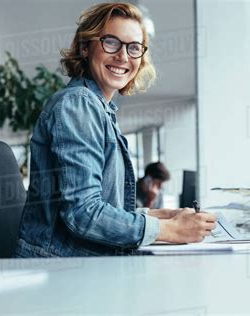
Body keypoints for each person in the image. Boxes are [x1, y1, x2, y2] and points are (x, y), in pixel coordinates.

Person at [15, 3, 216, 257]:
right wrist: (171, 231)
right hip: (61, 271)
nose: (123, 56)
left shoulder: (100, 109)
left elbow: (105, 207)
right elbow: (83, 213)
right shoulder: (79, 104)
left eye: (134, 48)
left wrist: (164, 217)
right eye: (111, 42)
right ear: (85, 48)